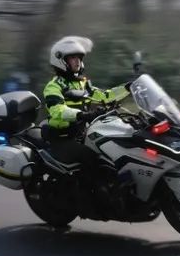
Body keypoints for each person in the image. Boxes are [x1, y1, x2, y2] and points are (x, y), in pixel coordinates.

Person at [42, 36, 130, 198]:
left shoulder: (81, 83)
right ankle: (88, 199)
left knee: (111, 151)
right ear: (60, 60)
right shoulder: (53, 86)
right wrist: (83, 114)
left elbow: (105, 96)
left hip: (81, 134)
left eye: (79, 58)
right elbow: (57, 110)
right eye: (72, 58)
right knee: (91, 158)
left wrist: (128, 88)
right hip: (62, 138)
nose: (77, 61)